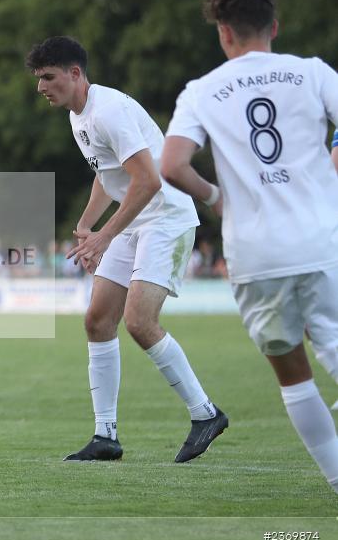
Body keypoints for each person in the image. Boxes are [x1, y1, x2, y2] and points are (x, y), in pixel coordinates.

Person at [161, 0, 338, 492]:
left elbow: (172, 165)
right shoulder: (311, 73)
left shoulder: (203, 90)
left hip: (256, 251)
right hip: (323, 238)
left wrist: (216, 197)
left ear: (224, 33)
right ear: (274, 27)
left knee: (294, 376)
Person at [25, 36, 228, 462]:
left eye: (48, 77)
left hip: (166, 219)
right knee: (98, 320)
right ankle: (105, 436)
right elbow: (108, 175)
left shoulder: (109, 111)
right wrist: (86, 225)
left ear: (75, 73)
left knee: (138, 321)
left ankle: (205, 413)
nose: (41, 87)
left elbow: (150, 180)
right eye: (39, 79)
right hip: (135, 220)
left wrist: (105, 235)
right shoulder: (78, 115)